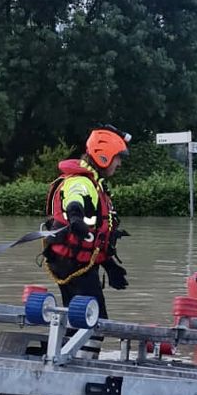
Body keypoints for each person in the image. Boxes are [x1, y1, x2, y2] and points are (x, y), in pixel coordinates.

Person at [43, 126, 130, 324]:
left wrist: (108, 264)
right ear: (104, 156)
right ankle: (82, 355)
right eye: (118, 158)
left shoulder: (93, 182)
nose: (120, 164)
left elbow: (94, 236)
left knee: (79, 319)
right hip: (73, 263)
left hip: (72, 261)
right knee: (95, 320)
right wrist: (75, 216)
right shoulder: (82, 182)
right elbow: (75, 197)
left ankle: (68, 352)